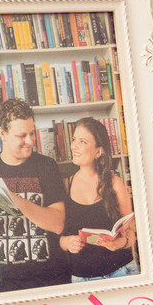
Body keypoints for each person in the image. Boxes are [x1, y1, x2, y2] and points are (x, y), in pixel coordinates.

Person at [0, 99, 68, 293]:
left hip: (52, 280)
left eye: (32, 133)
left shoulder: (47, 166)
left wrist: (14, 199)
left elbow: (57, 224)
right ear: (2, 134)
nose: (30, 141)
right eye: (22, 135)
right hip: (6, 284)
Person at [58, 117, 139, 281]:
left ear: (98, 152)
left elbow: (131, 236)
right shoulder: (65, 186)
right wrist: (65, 242)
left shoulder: (115, 183)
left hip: (122, 272)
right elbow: (55, 238)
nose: (74, 146)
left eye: (82, 141)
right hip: (83, 278)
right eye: (74, 139)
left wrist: (119, 243)